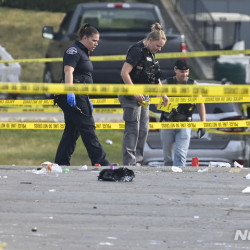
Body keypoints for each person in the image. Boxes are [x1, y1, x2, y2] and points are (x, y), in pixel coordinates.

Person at [54, 23, 110, 166]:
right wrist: (70, 91)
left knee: (72, 131)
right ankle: (101, 162)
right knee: (88, 127)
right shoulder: (74, 51)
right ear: (85, 38)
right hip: (74, 95)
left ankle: (61, 162)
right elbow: (68, 71)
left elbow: (82, 76)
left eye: (97, 41)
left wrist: (87, 97)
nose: (96, 44)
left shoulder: (83, 52)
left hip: (81, 95)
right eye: (94, 40)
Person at [119, 22, 169, 166]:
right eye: (157, 46)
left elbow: (154, 77)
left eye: (161, 47)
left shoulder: (151, 54)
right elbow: (124, 73)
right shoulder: (136, 50)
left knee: (143, 129)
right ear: (150, 40)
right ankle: (129, 163)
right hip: (130, 94)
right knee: (132, 129)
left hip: (145, 95)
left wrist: (163, 94)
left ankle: (138, 162)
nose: (159, 49)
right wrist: (135, 93)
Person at [160, 59, 206, 167]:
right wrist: (171, 106)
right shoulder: (166, 84)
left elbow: (200, 104)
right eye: (181, 72)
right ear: (175, 70)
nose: (184, 74)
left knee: (180, 155)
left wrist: (203, 123)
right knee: (167, 157)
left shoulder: (193, 85)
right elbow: (157, 103)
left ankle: (178, 177)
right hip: (168, 122)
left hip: (185, 123)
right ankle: (167, 180)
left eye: (186, 72)